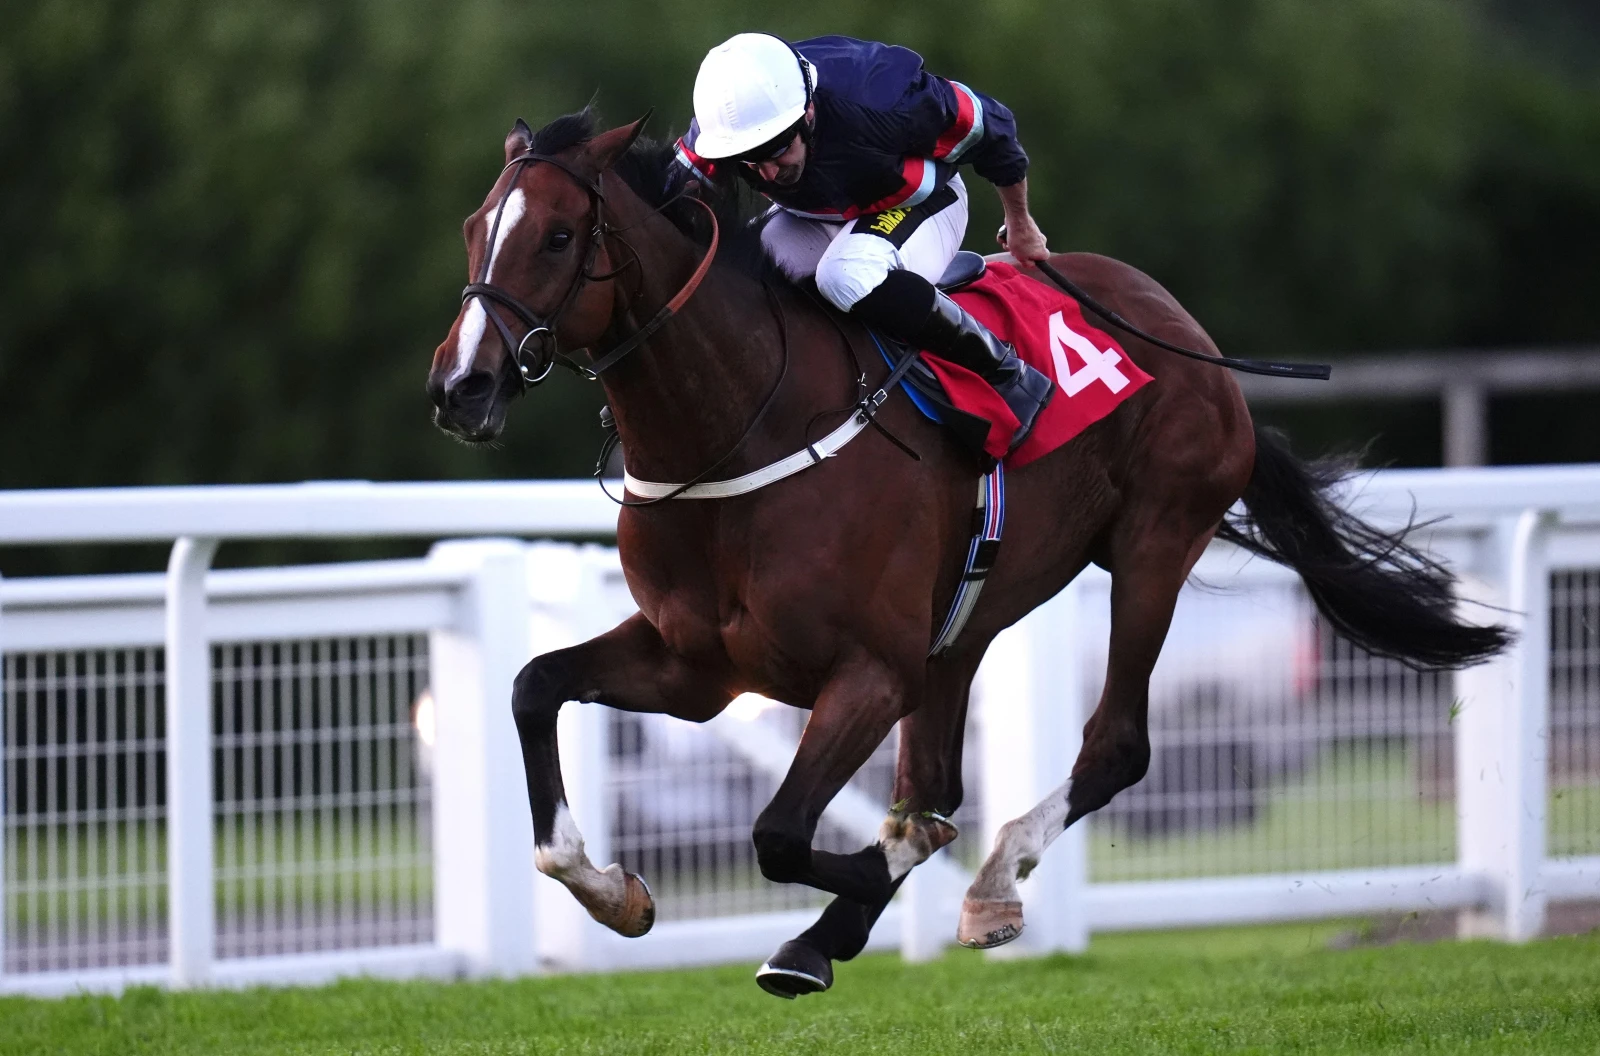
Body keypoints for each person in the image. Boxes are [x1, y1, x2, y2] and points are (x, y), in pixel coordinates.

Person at [674, 33, 1055, 450]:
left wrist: (1020, 223)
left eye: (777, 149)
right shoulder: (728, 123)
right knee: (739, 277)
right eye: (750, 159)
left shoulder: (883, 99)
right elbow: (667, 189)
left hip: (924, 202)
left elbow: (992, 124)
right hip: (817, 214)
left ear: (809, 111)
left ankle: (1004, 371)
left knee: (845, 275)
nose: (767, 173)